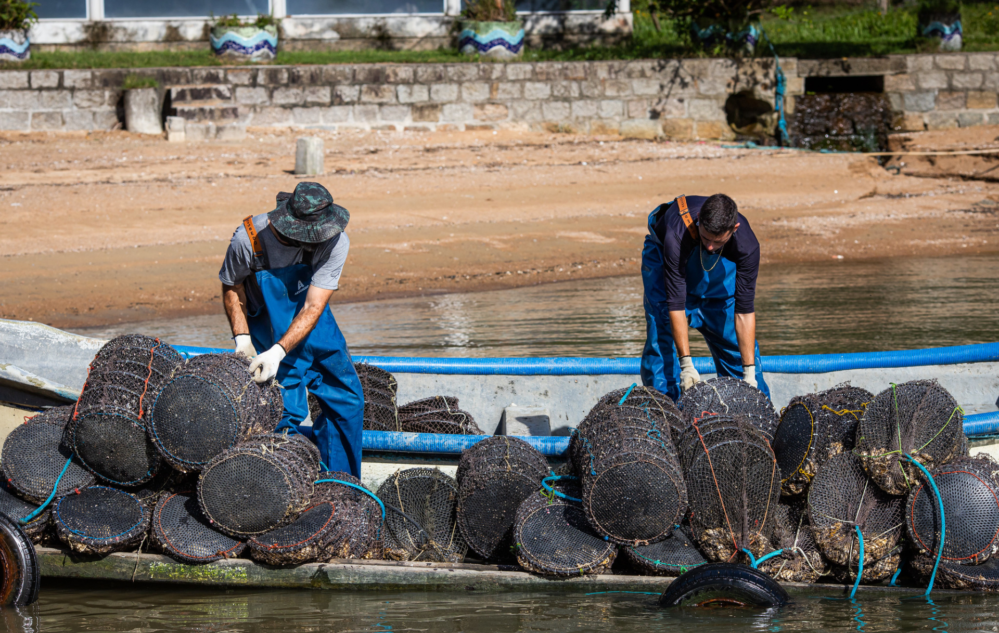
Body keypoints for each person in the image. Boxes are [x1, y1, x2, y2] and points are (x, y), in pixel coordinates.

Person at [219, 181, 364, 478]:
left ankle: (342, 484)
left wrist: (278, 353)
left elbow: (313, 306)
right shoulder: (248, 239)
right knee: (285, 409)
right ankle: (282, 483)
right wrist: (243, 339)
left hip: (315, 320)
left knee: (347, 400)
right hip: (268, 324)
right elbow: (232, 286)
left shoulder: (336, 241)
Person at [640, 193, 771, 402]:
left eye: (717, 241)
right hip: (665, 259)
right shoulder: (678, 233)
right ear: (699, 219)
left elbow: (744, 311)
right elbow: (675, 305)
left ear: (734, 229)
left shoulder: (747, 245)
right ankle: (665, 409)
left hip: (717, 273)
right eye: (706, 238)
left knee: (735, 344)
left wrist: (749, 375)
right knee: (661, 333)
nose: (710, 246)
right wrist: (686, 365)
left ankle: (747, 409)